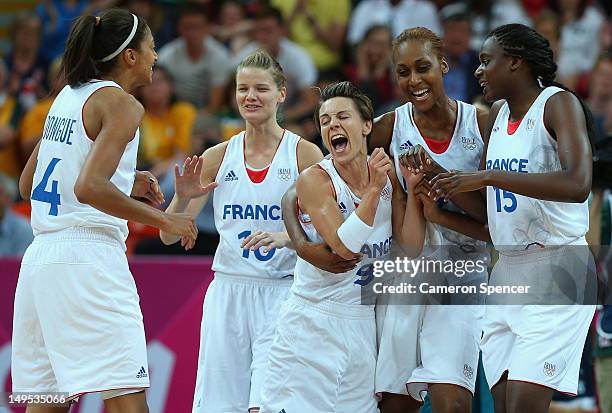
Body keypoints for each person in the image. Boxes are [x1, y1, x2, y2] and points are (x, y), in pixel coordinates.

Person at [282, 27, 490, 413]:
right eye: (403, 71)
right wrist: (302, 243)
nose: (414, 80)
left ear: (443, 66)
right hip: (404, 281)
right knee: (394, 404)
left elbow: (492, 220)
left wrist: (436, 183)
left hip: (461, 275)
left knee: (452, 402)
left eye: (423, 67)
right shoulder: (390, 126)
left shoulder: (480, 124)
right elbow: (306, 186)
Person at [11, 9, 197, 412]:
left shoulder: (66, 95)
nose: (156, 57)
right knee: (125, 395)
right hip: (88, 259)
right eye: (150, 48)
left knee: (47, 404)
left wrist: (127, 183)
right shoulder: (123, 105)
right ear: (129, 56)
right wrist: (166, 218)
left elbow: (30, 184)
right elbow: (89, 186)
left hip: (41, 261)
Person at [430, 23, 597, 413]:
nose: (477, 70)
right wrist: (440, 185)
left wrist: (488, 175)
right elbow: (493, 218)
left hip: (559, 266)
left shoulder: (557, 104)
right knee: (503, 407)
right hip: (508, 271)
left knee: (524, 406)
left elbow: (578, 184)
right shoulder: (499, 115)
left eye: (487, 61)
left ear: (517, 63)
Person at [159, 50, 324, 413]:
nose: (251, 97)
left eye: (261, 89)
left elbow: (330, 234)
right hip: (228, 293)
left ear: (281, 94)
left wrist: (287, 238)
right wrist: (181, 200)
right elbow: (169, 236)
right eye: (243, 88)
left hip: (284, 293)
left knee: (267, 404)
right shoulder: (218, 156)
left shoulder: (305, 155)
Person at [260, 80, 425, 413]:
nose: (332, 124)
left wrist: (413, 192)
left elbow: (409, 247)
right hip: (311, 323)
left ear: (366, 126)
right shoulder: (316, 179)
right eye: (325, 120)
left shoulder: (386, 177)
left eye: (342, 117)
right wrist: (374, 191)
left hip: (362, 323)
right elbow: (345, 248)